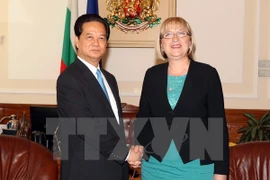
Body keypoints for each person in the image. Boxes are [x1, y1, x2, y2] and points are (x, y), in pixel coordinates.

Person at [135, 17, 229, 180]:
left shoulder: (208, 74)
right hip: (155, 167)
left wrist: (220, 173)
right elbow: (143, 118)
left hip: (196, 168)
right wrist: (137, 148)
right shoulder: (152, 75)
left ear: (190, 41)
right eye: (168, 34)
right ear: (161, 43)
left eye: (181, 33)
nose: (175, 39)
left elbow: (218, 126)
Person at [57, 14, 143, 180]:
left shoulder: (109, 78)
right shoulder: (69, 79)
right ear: (77, 40)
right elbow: (86, 127)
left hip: (113, 168)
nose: (96, 43)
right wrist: (126, 153)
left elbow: (112, 127)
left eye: (101, 38)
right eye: (89, 37)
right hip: (85, 171)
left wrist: (127, 153)